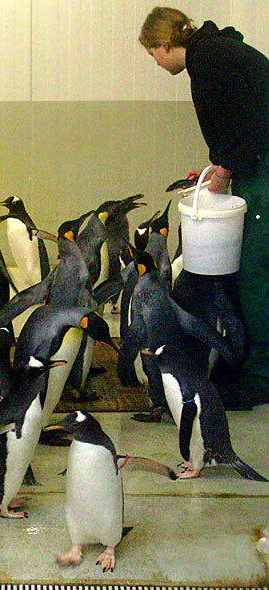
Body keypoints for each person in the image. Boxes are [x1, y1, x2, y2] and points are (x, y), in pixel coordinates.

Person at [139, 7, 269, 409]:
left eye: (152, 54)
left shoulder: (210, 60)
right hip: (258, 162)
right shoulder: (214, 52)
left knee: (253, 272)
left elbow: (250, 125)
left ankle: (261, 374)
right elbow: (238, 124)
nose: (156, 63)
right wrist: (220, 165)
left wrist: (226, 170)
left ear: (163, 45)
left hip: (264, 166)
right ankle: (248, 359)